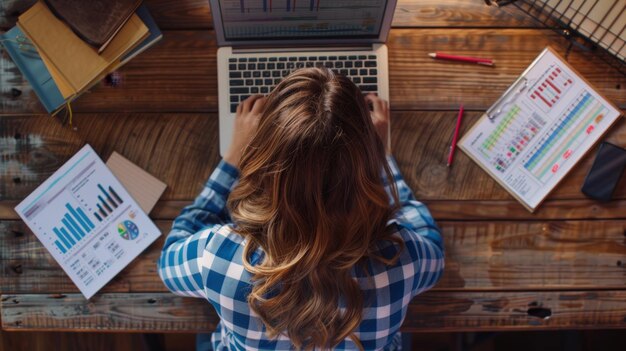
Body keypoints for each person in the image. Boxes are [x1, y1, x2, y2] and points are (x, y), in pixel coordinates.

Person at [158, 68, 445, 350]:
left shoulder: (218, 254)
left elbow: (168, 263)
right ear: (364, 162)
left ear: (262, 156)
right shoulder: (404, 257)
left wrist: (232, 159)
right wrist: (382, 159)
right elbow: (432, 245)